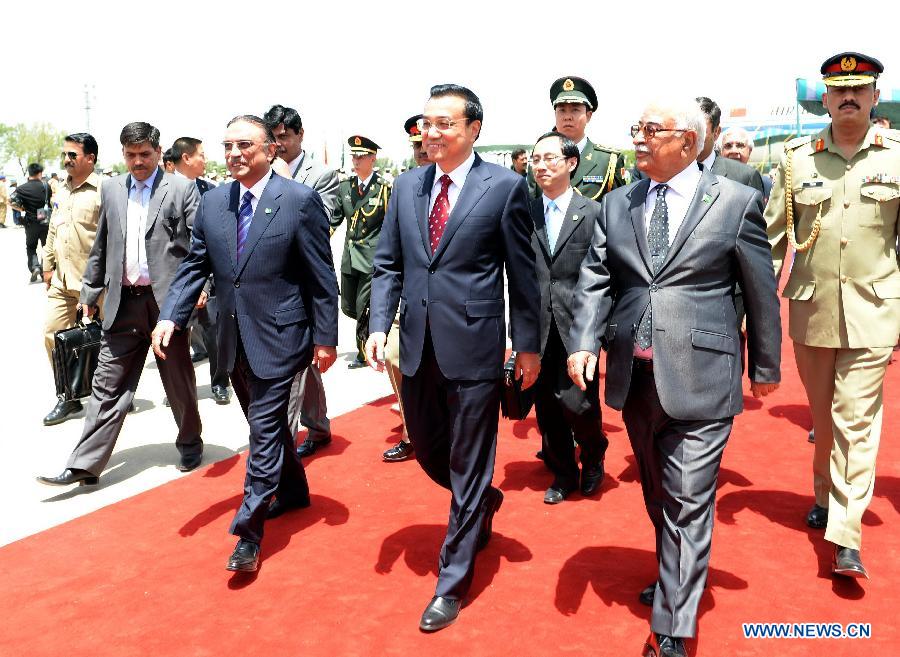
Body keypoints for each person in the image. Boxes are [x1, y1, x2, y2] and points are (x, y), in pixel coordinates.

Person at [568, 99, 781, 657]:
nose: (638, 138)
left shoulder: (735, 202)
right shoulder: (615, 205)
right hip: (634, 379)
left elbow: (760, 290)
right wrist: (585, 342)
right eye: (634, 129)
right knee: (658, 491)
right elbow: (594, 278)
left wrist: (765, 366)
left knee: (688, 497)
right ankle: (676, 573)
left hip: (704, 373)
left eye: (650, 130)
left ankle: (673, 627)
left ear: (688, 141)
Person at [366, 84, 540, 631]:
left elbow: (524, 273)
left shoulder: (507, 186)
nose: (433, 133)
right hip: (417, 344)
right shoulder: (407, 185)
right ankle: (481, 502)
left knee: (469, 460)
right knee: (427, 449)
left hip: (475, 345)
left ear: (473, 129)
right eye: (427, 123)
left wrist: (527, 344)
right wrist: (376, 325)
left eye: (445, 123)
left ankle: (453, 578)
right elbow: (388, 264)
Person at [152, 114, 339, 572]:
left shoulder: (298, 200)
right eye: (228, 146)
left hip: (283, 336)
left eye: (245, 146)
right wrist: (170, 316)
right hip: (232, 338)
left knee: (264, 431)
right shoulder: (214, 203)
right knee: (267, 426)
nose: (235, 154)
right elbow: (196, 265)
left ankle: (248, 533)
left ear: (269, 150)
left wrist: (326, 337)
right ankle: (293, 490)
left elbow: (321, 275)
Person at [765, 52, 900, 580]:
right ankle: (824, 494)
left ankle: (846, 533)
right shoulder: (797, 159)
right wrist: (756, 305)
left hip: (875, 310)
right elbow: (774, 236)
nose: (849, 97)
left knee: (855, 422)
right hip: (813, 310)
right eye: (839, 89)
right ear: (824, 98)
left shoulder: (896, 158)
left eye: (859, 89)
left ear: (873, 97)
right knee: (825, 421)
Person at [37, 122, 204, 488]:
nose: (138, 162)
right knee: (107, 385)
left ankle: (190, 441)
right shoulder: (112, 190)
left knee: (177, 380)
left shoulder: (181, 189)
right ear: (123, 155)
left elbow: (199, 247)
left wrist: (198, 289)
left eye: (145, 154)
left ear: (159, 153)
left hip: (167, 307)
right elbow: (101, 248)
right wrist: (89, 295)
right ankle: (84, 464)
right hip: (121, 304)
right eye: (131, 155)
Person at [529, 130, 607, 504]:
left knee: (580, 404)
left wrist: (600, 331)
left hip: (579, 326)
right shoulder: (523, 212)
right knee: (547, 407)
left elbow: (605, 275)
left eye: (550, 159)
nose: (541, 166)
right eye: (536, 160)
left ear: (572, 163)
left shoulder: (594, 213)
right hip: (537, 327)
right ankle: (563, 473)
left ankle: (593, 453)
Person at [263, 104, 339, 459]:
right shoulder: (258, 171)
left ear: (299, 136)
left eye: (284, 137)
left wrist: (284, 185)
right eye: (273, 138)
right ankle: (317, 425)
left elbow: (322, 219)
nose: (278, 144)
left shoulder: (321, 174)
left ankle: (294, 439)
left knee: (306, 360)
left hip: (307, 280)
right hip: (270, 281)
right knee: (295, 364)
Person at [41, 133, 102, 425]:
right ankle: (69, 398)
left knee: (103, 342)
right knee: (52, 337)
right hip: (62, 282)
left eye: (72, 155)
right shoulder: (61, 189)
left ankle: (108, 394)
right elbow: (55, 228)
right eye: (64, 155)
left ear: (90, 158)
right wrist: (47, 264)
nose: (66, 160)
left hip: (94, 283)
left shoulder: (105, 190)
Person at [381, 115, 431, 463]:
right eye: (416, 147)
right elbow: (390, 252)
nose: (422, 151)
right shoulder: (403, 186)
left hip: (452, 306)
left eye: (424, 144)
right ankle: (411, 429)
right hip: (410, 300)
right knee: (394, 357)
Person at [170, 136, 231, 405]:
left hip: (209, 277)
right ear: (186, 158)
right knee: (175, 338)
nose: (205, 160)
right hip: (176, 277)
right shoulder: (165, 192)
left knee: (215, 333)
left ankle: (220, 382)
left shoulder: (211, 190)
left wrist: (204, 283)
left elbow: (213, 241)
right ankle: (181, 390)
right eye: (201, 155)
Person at [331, 135, 391, 369]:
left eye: (361, 156)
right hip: (349, 257)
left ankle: (363, 351)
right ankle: (370, 333)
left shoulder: (385, 189)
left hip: (371, 259)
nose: (356, 160)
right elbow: (334, 220)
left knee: (363, 305)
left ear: (373, 159)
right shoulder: (345, 187)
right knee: (348, 307)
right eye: (353, 156)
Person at [527, 76, 626, 200]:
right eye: (562, 110)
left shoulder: (607, 160)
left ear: (588, 116)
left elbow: (618, 209)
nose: (567, 117)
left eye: (575, 110)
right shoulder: (540, 159)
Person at [11, 162, 52, 282]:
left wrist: (22, 208)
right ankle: (45, 271)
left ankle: (35, 267)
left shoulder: (22, 188)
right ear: (40, 173)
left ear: (29, 173)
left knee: (31, 247)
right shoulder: (46, 186)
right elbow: (48, 202)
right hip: (45, 220)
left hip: (30, 222)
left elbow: (12, 202)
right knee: (46, 247)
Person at [720, 126, 771, 201]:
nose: (734, 151)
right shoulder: (712, 181)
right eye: (728, 146)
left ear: (749, 151)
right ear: (721, 152)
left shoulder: (765, 184)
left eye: (740, 145)